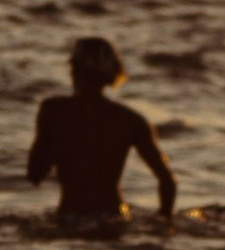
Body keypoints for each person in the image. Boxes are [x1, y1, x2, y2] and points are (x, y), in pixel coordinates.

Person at [27, 35, 177, 232]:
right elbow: (167, 182)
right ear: (112, 75)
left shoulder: (53, 111)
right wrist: (164, 220)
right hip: (114, 219)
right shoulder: (131, 120)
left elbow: (35, 175)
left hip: (69, 218)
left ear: (75, 70)